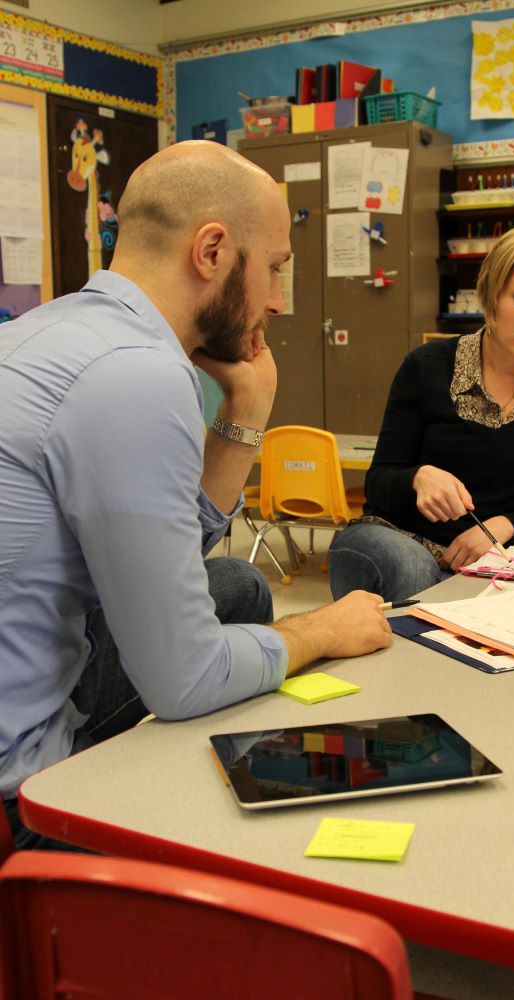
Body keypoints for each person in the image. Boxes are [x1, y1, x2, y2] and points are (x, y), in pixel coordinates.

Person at [0, 140, 392, 848]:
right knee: (248, 679)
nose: (276, 300)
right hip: (17, 791)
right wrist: (321, 630)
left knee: (236, 589)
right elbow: (184, 680)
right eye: (273, 268)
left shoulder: (51, 328)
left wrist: (248, 404)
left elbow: (171, 557)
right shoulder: (136, 375)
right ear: (211, 251)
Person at [329, 223, 514, 603]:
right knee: (417, 571)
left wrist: (498, 528)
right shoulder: (427, 367)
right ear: (492, 295)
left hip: (492, 552)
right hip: (392, 535)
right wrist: (418, 478)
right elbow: (379, 481)